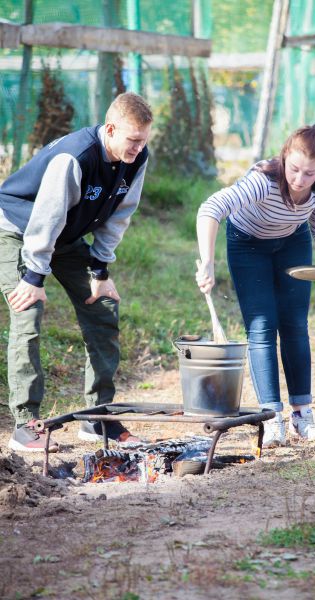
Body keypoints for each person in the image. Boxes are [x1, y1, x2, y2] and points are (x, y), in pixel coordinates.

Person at [0, 92, 153, 452]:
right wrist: (34, 277)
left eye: (144, 140)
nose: (137, 149)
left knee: (102, 305)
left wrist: (100, 268)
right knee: (28, 310)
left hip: (64, 235)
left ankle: (97, 418)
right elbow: (46, 217)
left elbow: (121, 212)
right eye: (132, 140)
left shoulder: (136, 157)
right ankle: (25, 424)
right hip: (17, 229)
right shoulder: (75, 157)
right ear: (111, 129)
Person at [196, 125, 315, 447]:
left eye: (309, 173)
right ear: (284, 159)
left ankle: (302, 415)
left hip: (292, 242)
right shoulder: (263, 182)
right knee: (262, 325)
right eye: (294, 169)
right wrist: (208, 261)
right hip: (247, 245)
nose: (299, 179)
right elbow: (211, 208)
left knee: (295, 324)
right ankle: (272, 418)